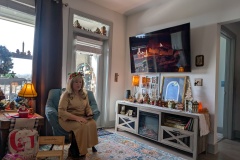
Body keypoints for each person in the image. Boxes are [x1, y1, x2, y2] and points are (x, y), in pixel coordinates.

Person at [58, 72, 98, 158]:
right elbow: (61, 112)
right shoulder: (66, 94)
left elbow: (87, 106)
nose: (79, 84)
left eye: (80, 82)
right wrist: (77, 118)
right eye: (76, 82)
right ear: (71, 83)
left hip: (81, 117)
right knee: (81, 126)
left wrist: (89, 112)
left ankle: (83, 147)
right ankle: (79, 151)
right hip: (67, 119)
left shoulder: (84, 93)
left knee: (92, 123)